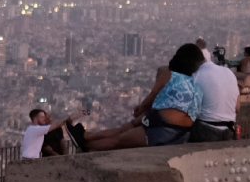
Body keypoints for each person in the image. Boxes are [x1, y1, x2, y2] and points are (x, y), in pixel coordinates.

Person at [76, 44, 206, 150]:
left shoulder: (169, 76)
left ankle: (84, 146)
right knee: (127, 130)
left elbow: (147, 103)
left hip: (161, 129)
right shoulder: (198, 88)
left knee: (118, 141)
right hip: (183, 135)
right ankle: (87, 136)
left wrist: (139, 111)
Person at [191, 51, 240, 142]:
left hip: (205, 129)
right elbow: (237, 107)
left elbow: (191, 108)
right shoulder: (229, 72)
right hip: (229, 128)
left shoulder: (196, 75)